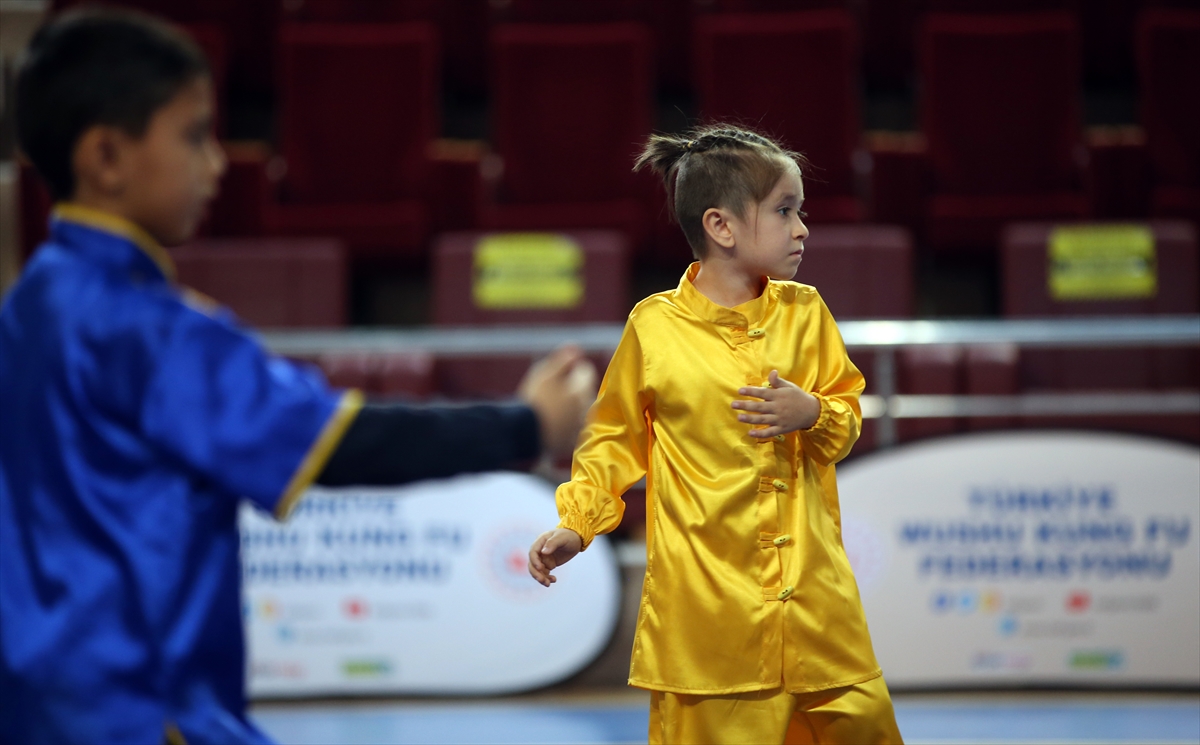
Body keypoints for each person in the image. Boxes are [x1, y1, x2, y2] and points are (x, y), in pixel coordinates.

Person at [0, 9, 596, 744]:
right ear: (107, 157)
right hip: (140, 708)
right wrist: (529, 422)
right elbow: (341, 442)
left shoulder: (29, 302)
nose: (216, 163)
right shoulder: (150, 328)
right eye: (193, 136)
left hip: (35, 703)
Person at [528, 125, 903, 745]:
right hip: (708, 628)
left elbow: (846, 417)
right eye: (785, 211)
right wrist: (579, 523)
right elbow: (612, 440)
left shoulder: (806, 312)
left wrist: (813, 413)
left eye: (800, 211)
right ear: (721, 227)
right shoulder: (652, 327)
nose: (802, 228)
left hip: (820, 617)